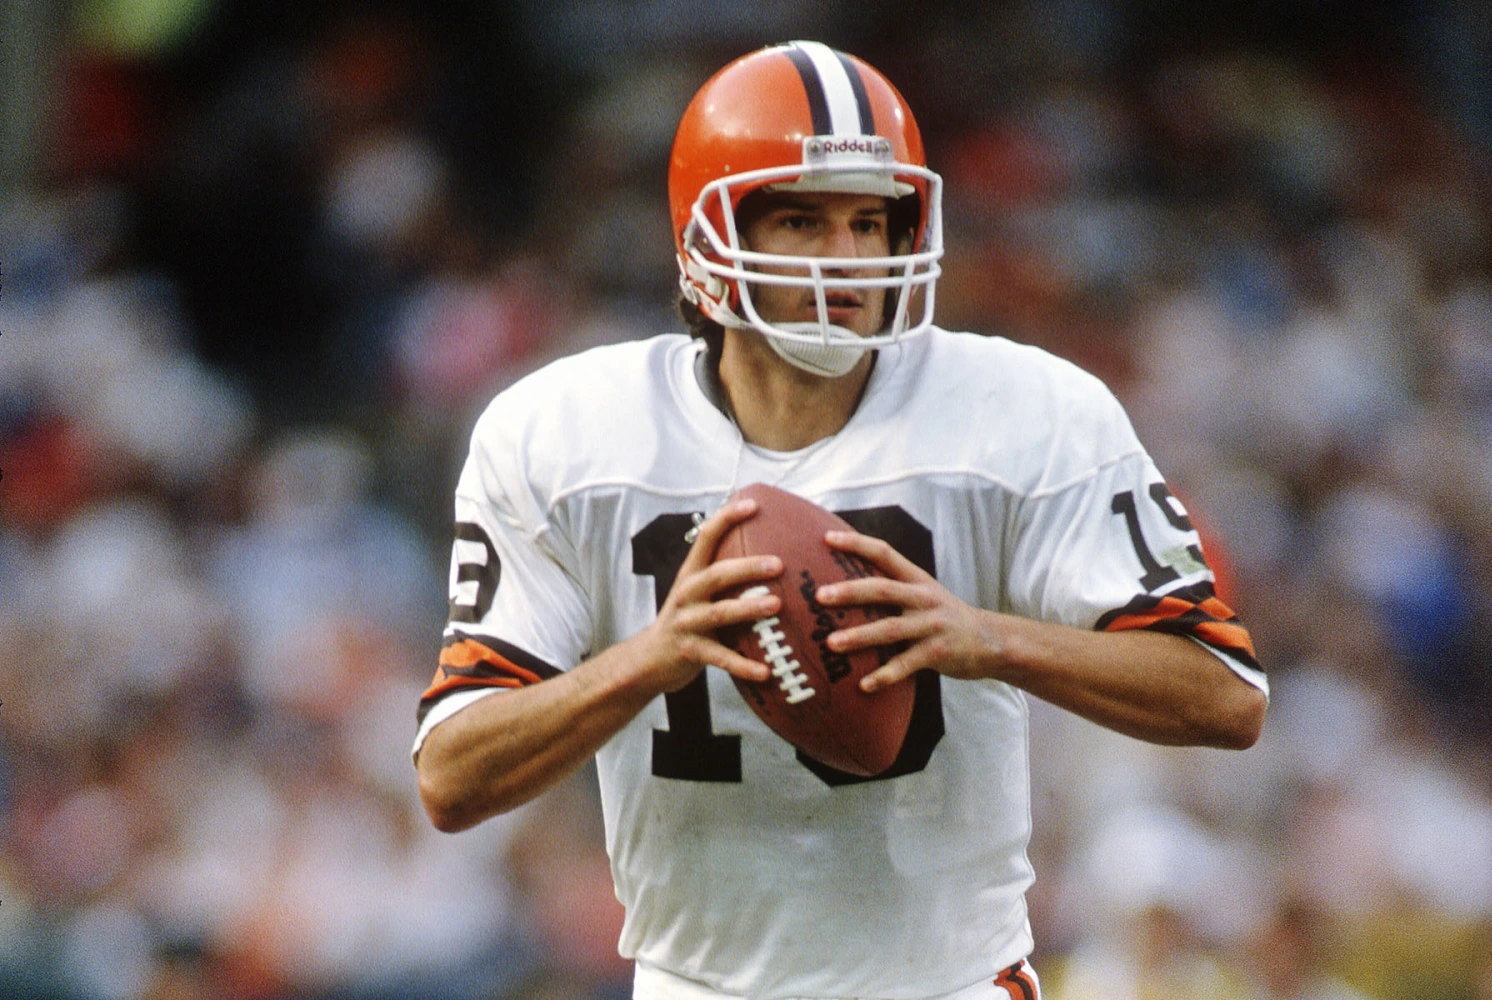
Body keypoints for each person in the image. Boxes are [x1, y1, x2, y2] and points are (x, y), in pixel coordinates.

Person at [413, 40, 1268, 1000]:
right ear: (709, 235)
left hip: (948, 983)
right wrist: (651, 657)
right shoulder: (565, 436)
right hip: (696, 986)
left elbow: (1224, 695)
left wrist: (988, 639)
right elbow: (452, 774)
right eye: (802, 220)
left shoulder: (1026, 411)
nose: (848, 258)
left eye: (870, 219)